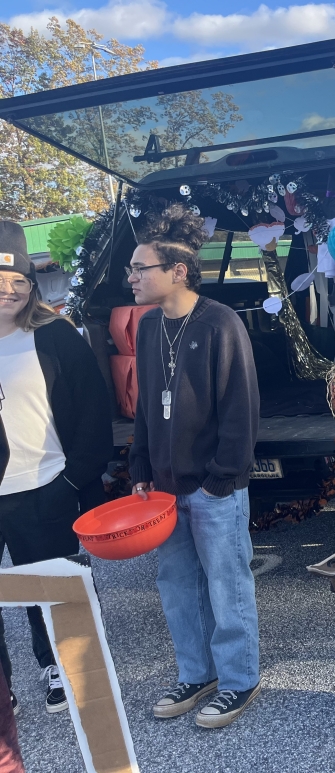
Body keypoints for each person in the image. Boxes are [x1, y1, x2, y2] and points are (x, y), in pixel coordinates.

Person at [127, 204, 262, 729]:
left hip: (214, 487)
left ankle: (239, 680)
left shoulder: (220, 323)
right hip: (162, 487)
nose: (133, 277)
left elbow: (240, 406)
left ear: (178, 271)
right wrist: (140, 462)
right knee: (178, 585)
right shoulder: (146, 328)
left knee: (227, 586)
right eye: (132, 270)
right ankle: (196, 672)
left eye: (142, 269)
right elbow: (144, 405)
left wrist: (221, 478)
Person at [0, 220, 112, 714]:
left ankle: (59, 666)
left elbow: (92, 410)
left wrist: (74, 479)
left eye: (18, 281)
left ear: (31, 285)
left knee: (53, 584)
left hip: (45, 484)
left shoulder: (56, 337)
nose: (9, 290)